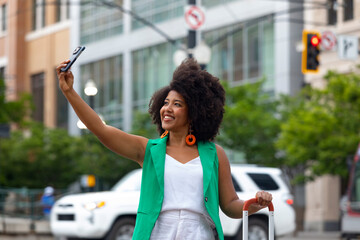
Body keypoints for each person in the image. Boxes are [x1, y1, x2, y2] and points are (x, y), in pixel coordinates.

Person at [56, 58, 272, 240]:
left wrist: (255, 203)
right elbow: (100, 129)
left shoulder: (215, 154)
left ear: (195, 111)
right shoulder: (148, 151)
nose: (167, 109)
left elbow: (230, 205)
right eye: (166, 102)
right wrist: (70, 92)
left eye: (177, 104)